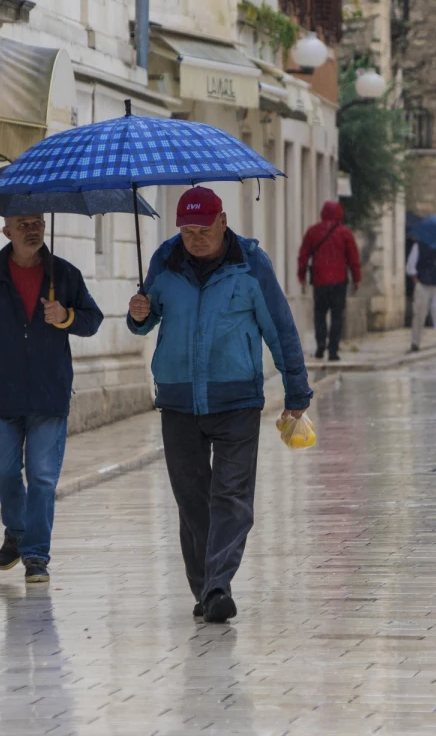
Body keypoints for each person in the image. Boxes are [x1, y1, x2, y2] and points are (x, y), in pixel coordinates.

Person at [129, 187, 312, 623]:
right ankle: (207, 589)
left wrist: (297, 392)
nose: (195, 238)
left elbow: (280, 328)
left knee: (231, 497)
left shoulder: (251, 264)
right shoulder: (164, 260)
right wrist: (137, 314)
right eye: (187, 230)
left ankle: (217, 586)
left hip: (237, 399)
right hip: (177, 399)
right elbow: (146, 321)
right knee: (191, 500)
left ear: (223, 221)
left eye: (203, 229)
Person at [0, 213, 104, 584]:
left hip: (50, 393)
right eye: (23, 224)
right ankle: (16, 529)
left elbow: (93, 320)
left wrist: (66, 316)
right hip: (4, 393)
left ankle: (35, 555)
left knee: (43, 477)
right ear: (7, 231)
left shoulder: (64, 274)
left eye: (37, 223)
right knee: (3, 476)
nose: (32, 229)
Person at [297, 200, 361, 361]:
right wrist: (356, 279)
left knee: (319, 314)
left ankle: (320, 346)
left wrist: (302, 275)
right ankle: (333, 351)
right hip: (339, 281)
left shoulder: (313, 232)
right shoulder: (345, 233)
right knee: (337, 315)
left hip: (320, 280)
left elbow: (303, 255)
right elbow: (353, 259)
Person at [406, 240, 436, 351]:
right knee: (419, 315)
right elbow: (410, 266)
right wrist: (416, 281)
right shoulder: (419, 246)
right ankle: (415, 342)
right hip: (423, 284)